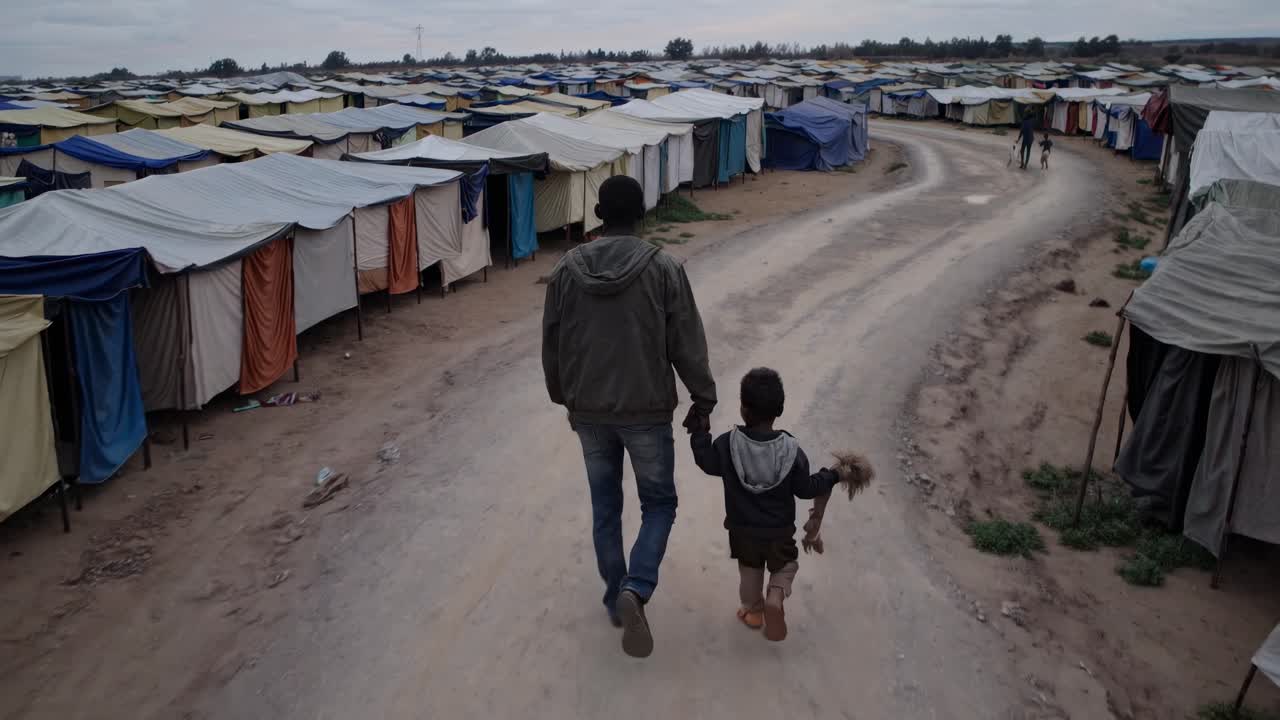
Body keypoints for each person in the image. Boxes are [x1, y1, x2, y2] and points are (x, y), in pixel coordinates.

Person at [541, 175, 717, 658]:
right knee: (659, 504)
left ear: (599, 213)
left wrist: (565, 398)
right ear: (641, 214)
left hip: (590, 412)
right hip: (647, 411)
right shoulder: (663, 268)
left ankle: (615, 594)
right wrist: (703, 397)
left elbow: (552, 344)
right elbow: (686, 340)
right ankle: (636, 588)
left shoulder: (565, 271)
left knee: (606, 508)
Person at [689, 368, 871, 642]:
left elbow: (706, 462)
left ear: (742, 408)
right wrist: (833, 475)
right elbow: (805, 489)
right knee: (785, 565)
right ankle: (775, 595)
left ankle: (753, 611)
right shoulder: (792, 452)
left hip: (742, 531)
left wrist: (700, 431)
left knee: (749, 573)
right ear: (781, 409)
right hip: (778, 531)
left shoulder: (727, 445)